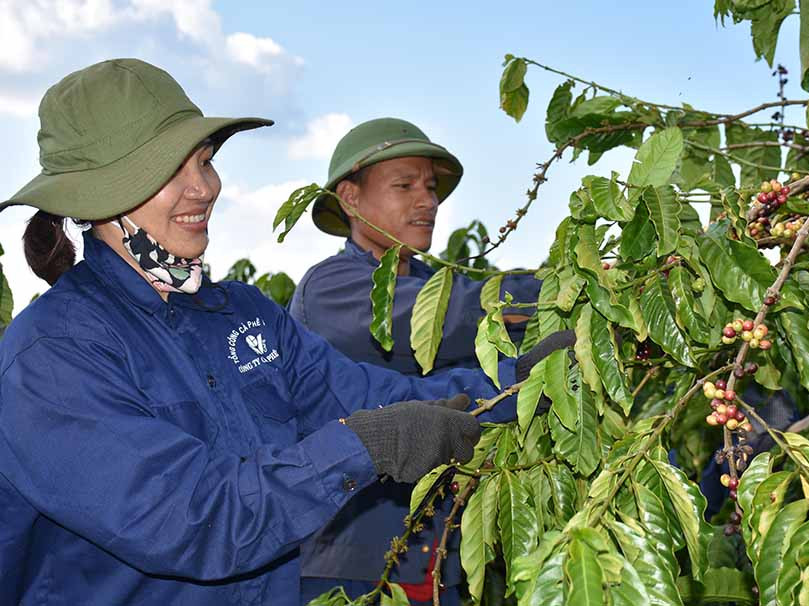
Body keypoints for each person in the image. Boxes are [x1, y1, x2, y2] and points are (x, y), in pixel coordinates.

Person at [0, 59, 567, 606]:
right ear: (97, 198)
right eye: (171, 171)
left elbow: (374, 397)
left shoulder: (242, 314)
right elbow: (194, 516)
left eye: (203, 162)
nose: (205, 188)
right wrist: (366, 447)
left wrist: (525, 384)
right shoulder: (52, 356)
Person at [290, 119, 544, 604]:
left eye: (429, 187)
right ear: (350, 198)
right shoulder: (331, 289)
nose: (426, 201)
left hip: (438, 551)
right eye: (404, 186)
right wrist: (557, 295)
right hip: (354, 556)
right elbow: (456, 319)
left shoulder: (438, 284)